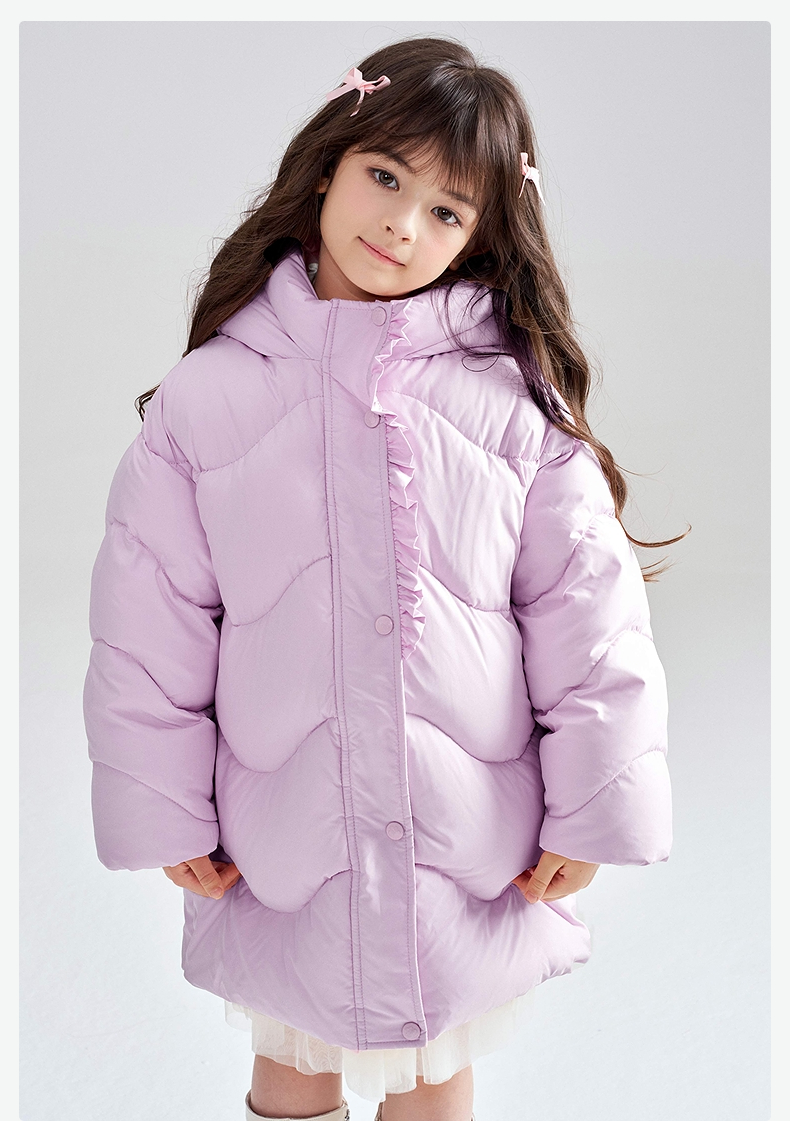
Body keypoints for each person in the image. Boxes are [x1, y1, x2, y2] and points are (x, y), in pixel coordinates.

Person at [83, 36, 682, 1121]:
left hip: (459, 837)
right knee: (290, 1066)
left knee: (433, 1069)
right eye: (386, 177)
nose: (403, 225)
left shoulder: (509, 404)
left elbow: (590, 616)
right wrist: (160, 803)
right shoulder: (209, 398)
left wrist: (595, 801)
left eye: (447, 210)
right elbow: (149, 616)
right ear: (328, 167)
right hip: (281, 833)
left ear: (481, 235)